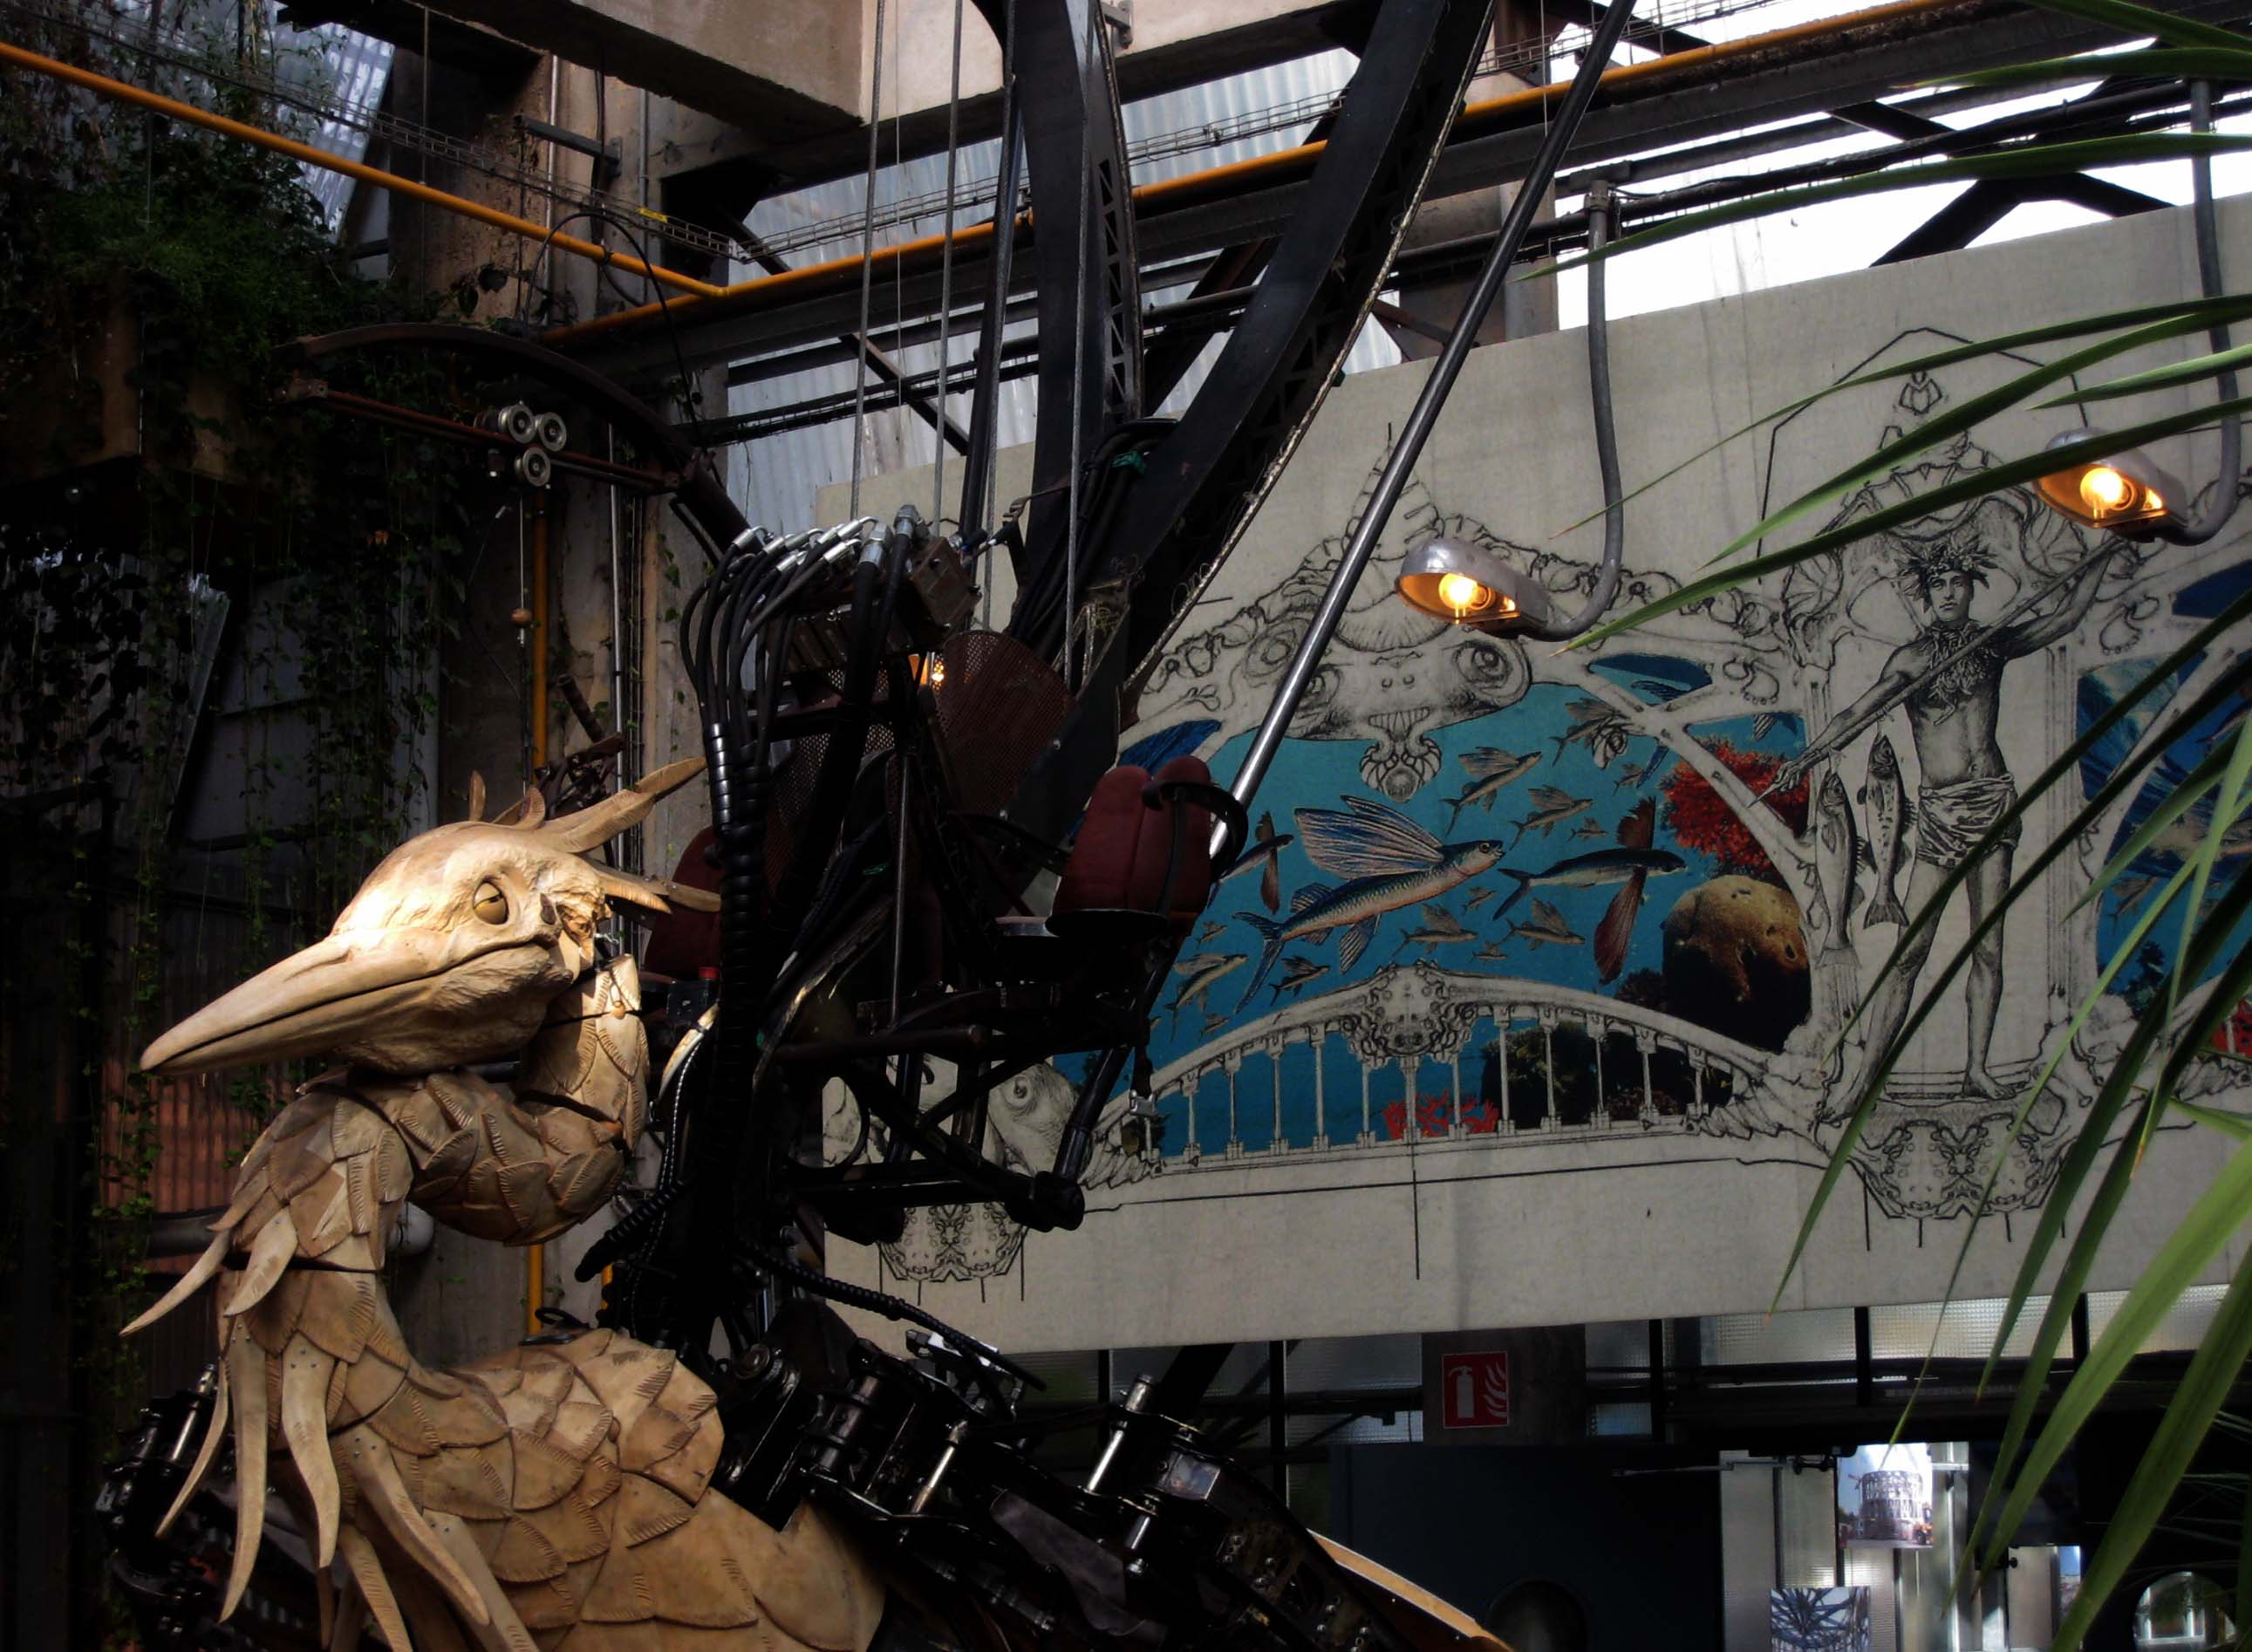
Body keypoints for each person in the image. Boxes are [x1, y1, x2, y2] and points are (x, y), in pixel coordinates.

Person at [1773, 525, 2115, 1098]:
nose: (1950, 593)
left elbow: (2065, 617)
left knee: (1988, 948)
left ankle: (1976, 1070)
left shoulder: (1993, 644)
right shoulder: (1910, 660)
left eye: (1958, 583)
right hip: (1939, 816)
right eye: (1939, 585)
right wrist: (1806, 759)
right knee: (1909, 953)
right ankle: (1863, 1081)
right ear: (1927, 595)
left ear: (1971, 589)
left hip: (1993, 804)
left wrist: (2103, 555)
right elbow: (1855, 715)